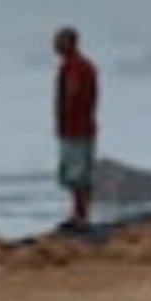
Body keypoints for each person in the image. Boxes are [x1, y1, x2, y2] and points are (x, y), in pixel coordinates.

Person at [52, 26, 99, 229]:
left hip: (75, 127)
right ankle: (80, 214)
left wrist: (65, 115)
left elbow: (73, 91)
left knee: (76, 174)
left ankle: (81, 215)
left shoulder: (74, 66)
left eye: (59, 41)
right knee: (81, 173)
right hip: (84, 125)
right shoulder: (84, 65)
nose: (55, 46)